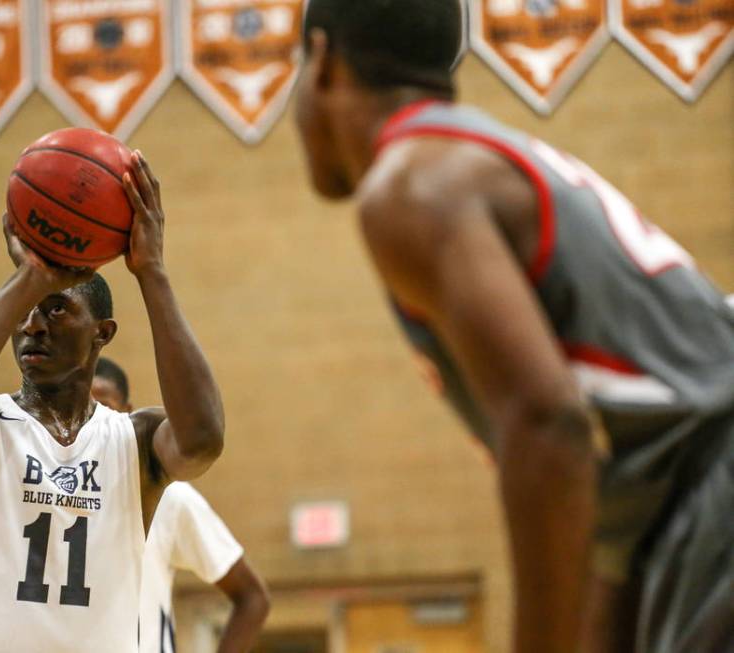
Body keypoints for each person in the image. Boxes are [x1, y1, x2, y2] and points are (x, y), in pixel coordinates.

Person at [293, 2, 734, 653]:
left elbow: (548, 423)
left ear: (323, 61)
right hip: (688, 504)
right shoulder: (474, 155)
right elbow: (616, 477)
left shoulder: (410, 184)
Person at [0, 151, 225, 653]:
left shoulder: (134, 443)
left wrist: (152, 272)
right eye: (25, 313)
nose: (32, 324)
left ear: (102, 334)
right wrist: (32, 277)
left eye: (55, 308)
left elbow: (203, 439)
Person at [93, 357, 271, 653]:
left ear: (127, 412)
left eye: (104, 405)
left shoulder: (169, 497)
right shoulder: (43, 491)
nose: (95, 418)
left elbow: (252, 597)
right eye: (86, 408)